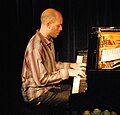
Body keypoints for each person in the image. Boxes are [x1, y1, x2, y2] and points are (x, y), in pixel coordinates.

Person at [21, 8, 86, 110]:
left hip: (49, 87)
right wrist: (68, 72)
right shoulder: (35, 48)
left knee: (83, 91)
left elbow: (51, 65)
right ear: (49, 25)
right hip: (37, 94)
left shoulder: (48, 41)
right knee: (80, 99)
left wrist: (71, 65)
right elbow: (41, 80)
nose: (61, 29)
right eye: (58, 25)